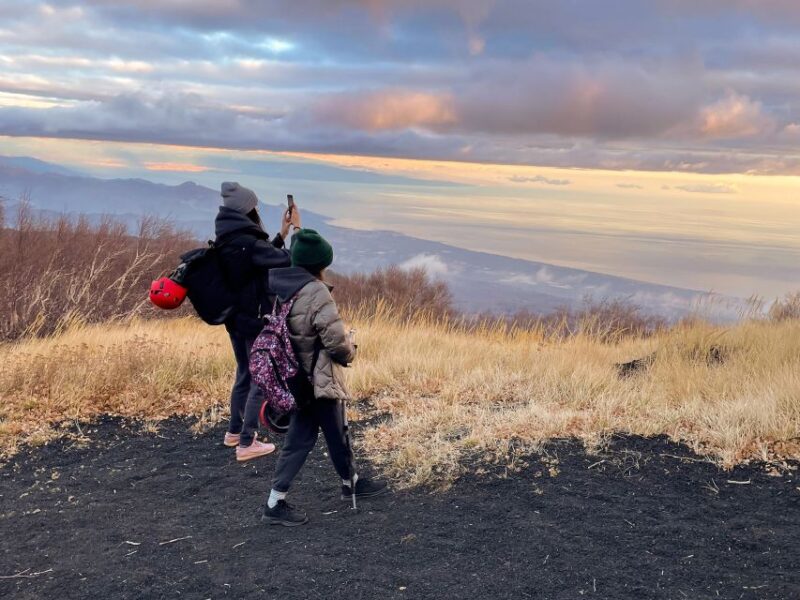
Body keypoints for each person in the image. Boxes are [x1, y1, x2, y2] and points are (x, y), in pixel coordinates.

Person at [263, 229, 387, 526]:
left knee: (311, 435)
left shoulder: (281, 289)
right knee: (327, 433)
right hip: (317, 378)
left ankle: (347, 481)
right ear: (320, 263)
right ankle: (278, 501)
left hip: (296, 378)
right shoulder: (316, 291)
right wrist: (351, 349)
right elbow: (335, 343)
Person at [215, 182, 299, 462]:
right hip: (253, 318)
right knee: (259, 378)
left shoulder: (229, 237)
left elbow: (259, 260)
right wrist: (296, 232)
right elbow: (288, 260)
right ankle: (247, 442)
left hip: (234, 318)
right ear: (246, 210)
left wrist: (281, 234)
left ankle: (234, 432)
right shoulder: (248, 241)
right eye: (253, 207)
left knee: (245, 372)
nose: (256, 211)